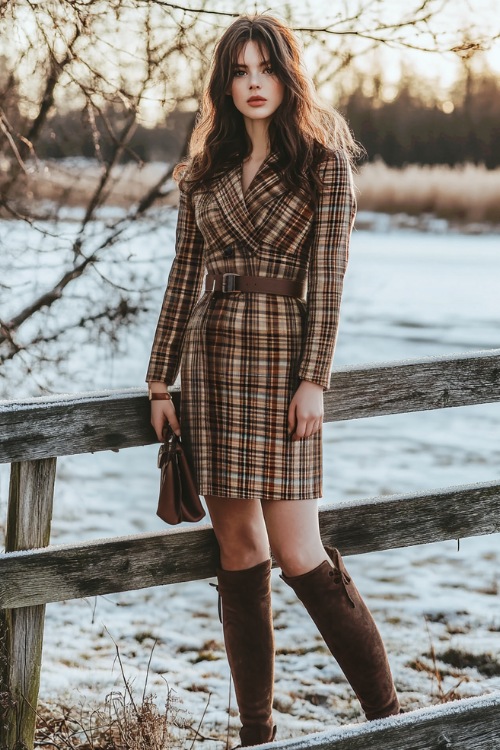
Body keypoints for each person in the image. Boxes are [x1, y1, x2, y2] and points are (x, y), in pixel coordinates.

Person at [146, 13, 400, 746]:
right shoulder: (204, 169)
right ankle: (256, 733)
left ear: (289, 77)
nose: (254, 83)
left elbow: (328, 284)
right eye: (240, 71)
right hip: (213, 364)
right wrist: (161, 380)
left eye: (266, 69)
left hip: (284, 363)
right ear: (224, 83)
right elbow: (182, 276)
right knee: (237, 550)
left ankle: (391, 719)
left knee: (299, 551)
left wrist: (313, 379)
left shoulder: (324, 164)